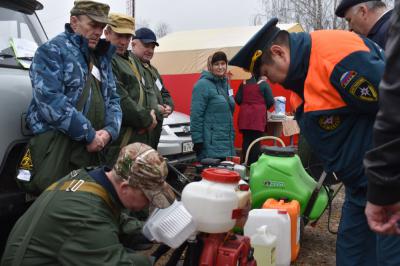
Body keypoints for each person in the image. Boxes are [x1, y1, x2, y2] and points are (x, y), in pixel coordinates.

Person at [229, 18, 400, 265]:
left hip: (389, 184)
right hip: (360, 187)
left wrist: (388, 181)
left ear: (278, 52)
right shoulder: (299, 79)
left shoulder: (337, 57)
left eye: (267, 73)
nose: (272, 82)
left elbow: (393, 108)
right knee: (351, 256)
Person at [1, 142, 175, 266]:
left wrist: (151, 232)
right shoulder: (86, 215)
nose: (149, 203)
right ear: (125, 187)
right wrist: (149, 261)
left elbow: (112, 219)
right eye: (148, 196)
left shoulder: (91, 177)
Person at [20, 0, 122, 194]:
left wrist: (109, 132)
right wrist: (89, 134)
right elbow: (50, 101)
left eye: (102, 27)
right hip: (60, 150)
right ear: (74, 22)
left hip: (94, 150)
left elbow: (113, 99)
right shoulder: (51, 51)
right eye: (93, 25)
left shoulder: (101, 57)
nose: (98, 32)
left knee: (85, 204)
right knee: (54, 204)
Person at [364, 0, 400, 235]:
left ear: (363, 10)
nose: (351, 26)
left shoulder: (384, 33)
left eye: (349, 19)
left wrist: (383, 186)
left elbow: (393, 100)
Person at [104, 13, 157, 166]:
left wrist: (152, 114)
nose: (123, 42)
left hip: (138, 134)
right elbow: (120, 98)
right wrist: (147, 119)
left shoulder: (130, 60)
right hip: (121, 136)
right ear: (107, 33)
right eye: (119, 35)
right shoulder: (108, 59)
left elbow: (147, 91)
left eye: (127, 37)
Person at [130, 27, 174, 150]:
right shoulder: (129, 66)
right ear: (133, 44)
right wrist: (155, 108)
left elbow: (164, 92)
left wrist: (168, 107)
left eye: (152, 47)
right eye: (146, 45)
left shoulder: (153, 71)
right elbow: (131, 98)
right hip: (137, 133)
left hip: (153, 133)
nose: (150, 50)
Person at [190, 51, 236, 160]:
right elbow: (196, 115)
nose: (220, 67)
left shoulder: (226, 84)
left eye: (223, 63)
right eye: (216, 64)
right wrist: (198, 140)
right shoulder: (202, 85)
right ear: (210, 66)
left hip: (227, 141)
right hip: (211, 144)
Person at [235, 70, 274, 165]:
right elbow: (270, 101)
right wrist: (263, 107)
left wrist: (246, 105)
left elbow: (238, 99)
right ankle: (253, 164)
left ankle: (245, 163)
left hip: (244, 117)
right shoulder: (264, 84)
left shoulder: (243, 83)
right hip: (257, 117)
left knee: (246, 140)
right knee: (256, 141)